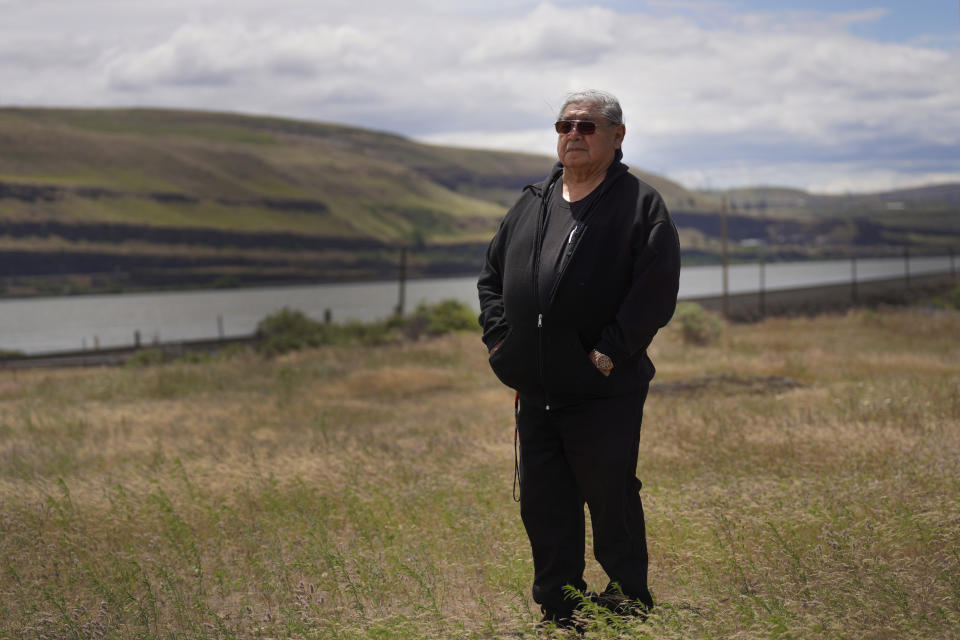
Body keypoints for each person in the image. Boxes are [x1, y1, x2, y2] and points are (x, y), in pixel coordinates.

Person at [477, 89, 681, 628]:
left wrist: (608, 354)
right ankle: (560, 606)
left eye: (587, 126)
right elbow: (491, 280)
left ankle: (628, 598)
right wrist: (502, 344)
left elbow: (655, 293)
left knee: (609, 493)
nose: (573, 134)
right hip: (538, 387)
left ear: (616, 136)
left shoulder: (640, 205)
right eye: (565, 125)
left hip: (603, 386)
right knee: (543, 503)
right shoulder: (531, 203)